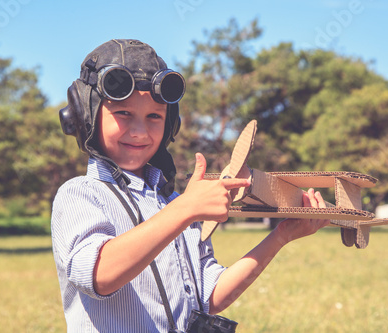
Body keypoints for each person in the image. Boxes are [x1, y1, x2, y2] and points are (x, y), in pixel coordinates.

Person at [51, 38, 329, 332]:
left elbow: (209, 297)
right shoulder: (80, 194)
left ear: (171, 124)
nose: (139, 131)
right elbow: (99, 275)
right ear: (86, 115)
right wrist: (186, 208)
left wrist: (281, 236)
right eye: (123, 113)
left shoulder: (173, 204)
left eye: (154, 117)